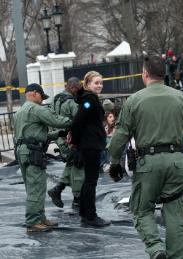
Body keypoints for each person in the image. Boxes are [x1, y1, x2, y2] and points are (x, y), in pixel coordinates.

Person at [108, 56, 183, 259]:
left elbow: (119, 137)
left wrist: (114, 162)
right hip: (176, 160)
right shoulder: (181, 98)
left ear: (145, 74)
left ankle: (155, 248)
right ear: (165, 75)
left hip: (148, 163)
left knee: (141, 210)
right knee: (174, 213)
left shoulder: (134, 100)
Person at [13, 83, 72, 232]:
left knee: (32, 187)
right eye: (41, 96)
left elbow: (32, 133)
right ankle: (33, 223)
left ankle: (40, 218)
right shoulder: (36, 109)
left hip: (23, 151)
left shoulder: (20, 112)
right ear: (34, 93)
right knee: (37, 187)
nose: (42, 100)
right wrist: (77, 120)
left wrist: (56, 135)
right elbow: (57, 121)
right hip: (33, 152)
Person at [71, 71, 110, 227]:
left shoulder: (89, 98)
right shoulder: (89, 99)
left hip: (90, 144)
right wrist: (76, 143)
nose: (99, 85)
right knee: (91, 181)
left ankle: (85, 213)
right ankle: (90, 216)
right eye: (96, 83)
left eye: (101, 82)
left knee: (88, 181)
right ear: (87, 84)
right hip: (90, 146)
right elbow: (77, 122)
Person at [47, 78, 85, 210]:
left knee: (71, 164)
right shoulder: (71, 102)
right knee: (78, 168)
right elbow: (80, 119)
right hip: (70, 139)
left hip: (59, 138)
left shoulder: (56, 99)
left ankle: (58, 189)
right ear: (73, 88)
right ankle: (77, 199)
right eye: (79, 88)